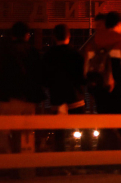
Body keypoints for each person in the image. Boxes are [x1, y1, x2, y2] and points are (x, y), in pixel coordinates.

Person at [84, 11, 121, 150]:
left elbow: (87, 69)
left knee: (105, 130)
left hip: (100, 93)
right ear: (120, 24)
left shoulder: (94, 43)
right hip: (120, 93)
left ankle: (105, 164)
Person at [0, 22, 45, 153]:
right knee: (26, 134)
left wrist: (2, 96)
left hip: (10, 97)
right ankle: (25, 167)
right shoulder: (33, 51)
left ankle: (5, 162)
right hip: (29, 99)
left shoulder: (6, 50)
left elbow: (1, 74)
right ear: (27, 35)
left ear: (12, 35)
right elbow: (39, 74)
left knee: (2, 131)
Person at [43, 23, 90, 151]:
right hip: (76, 97)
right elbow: (83, 78)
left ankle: (60, 162)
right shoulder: (76, 54)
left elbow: (45, 80)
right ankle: (87, 160)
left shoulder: (48, 55)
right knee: (84, 130)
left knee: (59, 134)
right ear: (69, 36)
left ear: (54, 37)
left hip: (57, 99)